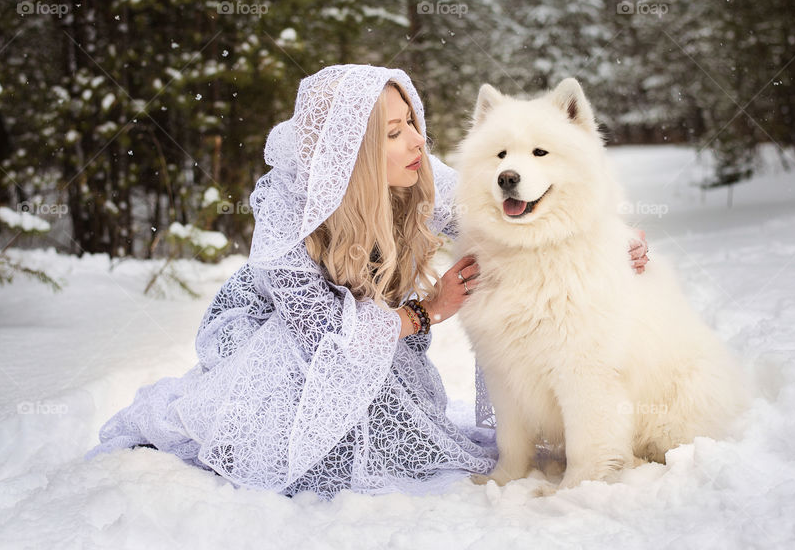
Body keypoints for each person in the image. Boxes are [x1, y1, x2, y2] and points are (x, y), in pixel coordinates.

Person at [85, 64, 649, 499]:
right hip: (296, 345)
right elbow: (323, 335)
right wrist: (429, 309)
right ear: (350, 151)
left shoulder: (419, 174)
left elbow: (496, 208)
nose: (417, 143)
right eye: (395, 133)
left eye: (413, 125)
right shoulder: (288, 213)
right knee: (291, 447)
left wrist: (608, 236)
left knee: (397, 434)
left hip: (376, 334)